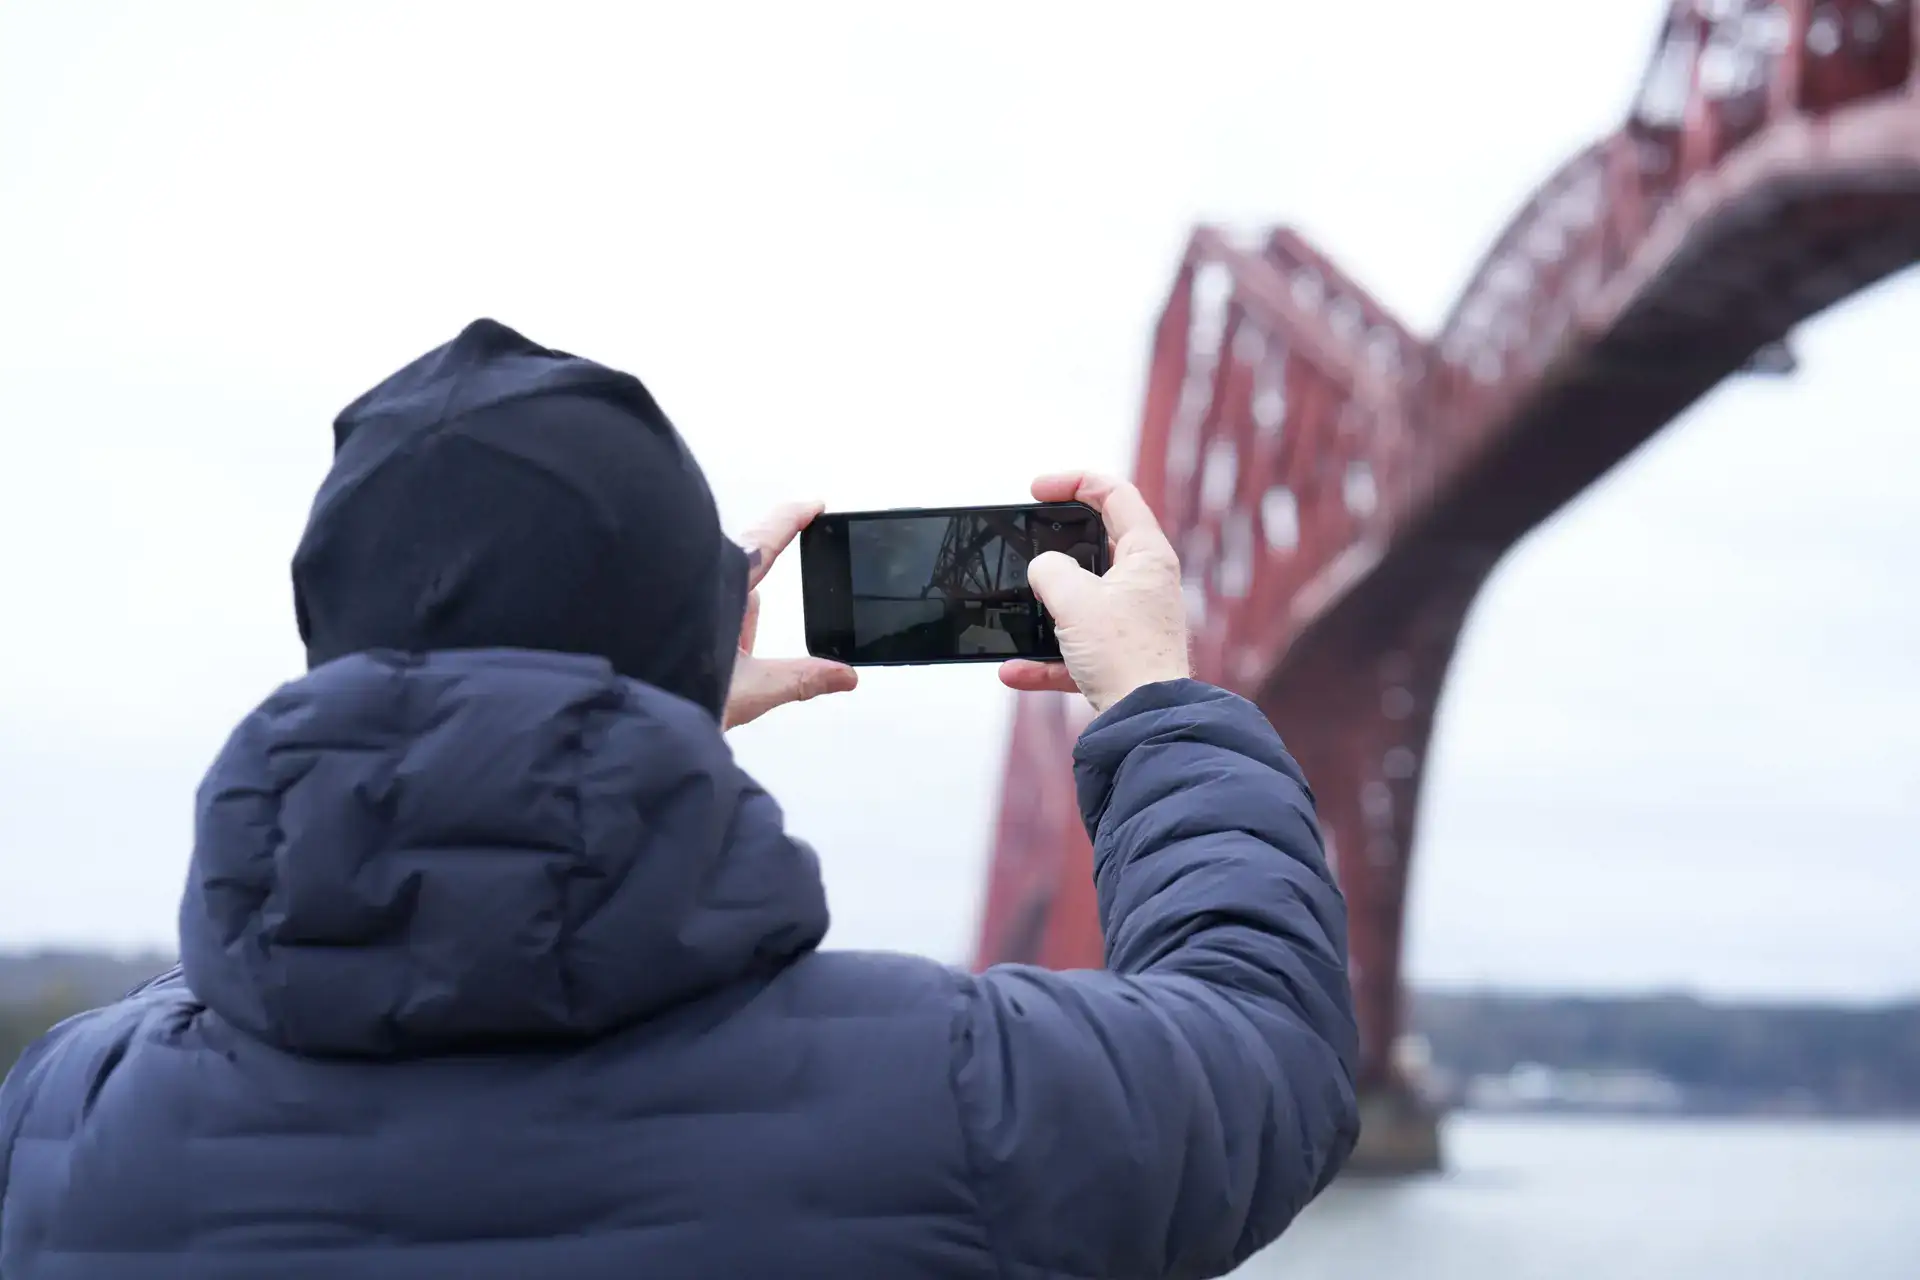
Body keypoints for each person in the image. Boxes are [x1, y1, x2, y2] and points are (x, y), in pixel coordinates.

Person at [0, 320, 1359, 1279]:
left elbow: (355, 918)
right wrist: (1155, 702)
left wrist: (611, 706)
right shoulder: (950, 1098)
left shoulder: (75, 1118)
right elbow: (1268, 1043)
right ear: (685, 653)